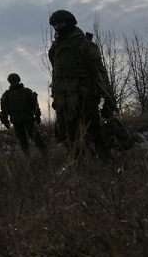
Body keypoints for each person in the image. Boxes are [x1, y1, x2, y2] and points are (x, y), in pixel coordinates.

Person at [47, 9, 116, 160]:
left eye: (61, 23)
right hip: (63, 99)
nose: (58, 27)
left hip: (85, 96)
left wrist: (108, 97)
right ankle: (76, 165)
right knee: (67, 134)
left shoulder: (84, 45)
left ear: (70, 23)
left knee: (93, 131)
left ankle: (104, 161)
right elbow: (55, 72)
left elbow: (99, 72)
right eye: (55, 24)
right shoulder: (55, 48)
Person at [0, 73, 47, 157]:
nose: (14, 83)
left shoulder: (26, 92)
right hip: (16, 120)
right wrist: (5, 120)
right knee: (22, 140)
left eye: (15, 81)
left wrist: (37, 115)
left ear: (18, 81)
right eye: (12, 81)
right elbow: (4, 109)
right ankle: (28, 159)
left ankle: (46, 156)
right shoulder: (6, 95)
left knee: (36, 137)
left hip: (28, 118)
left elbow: (34, 104)